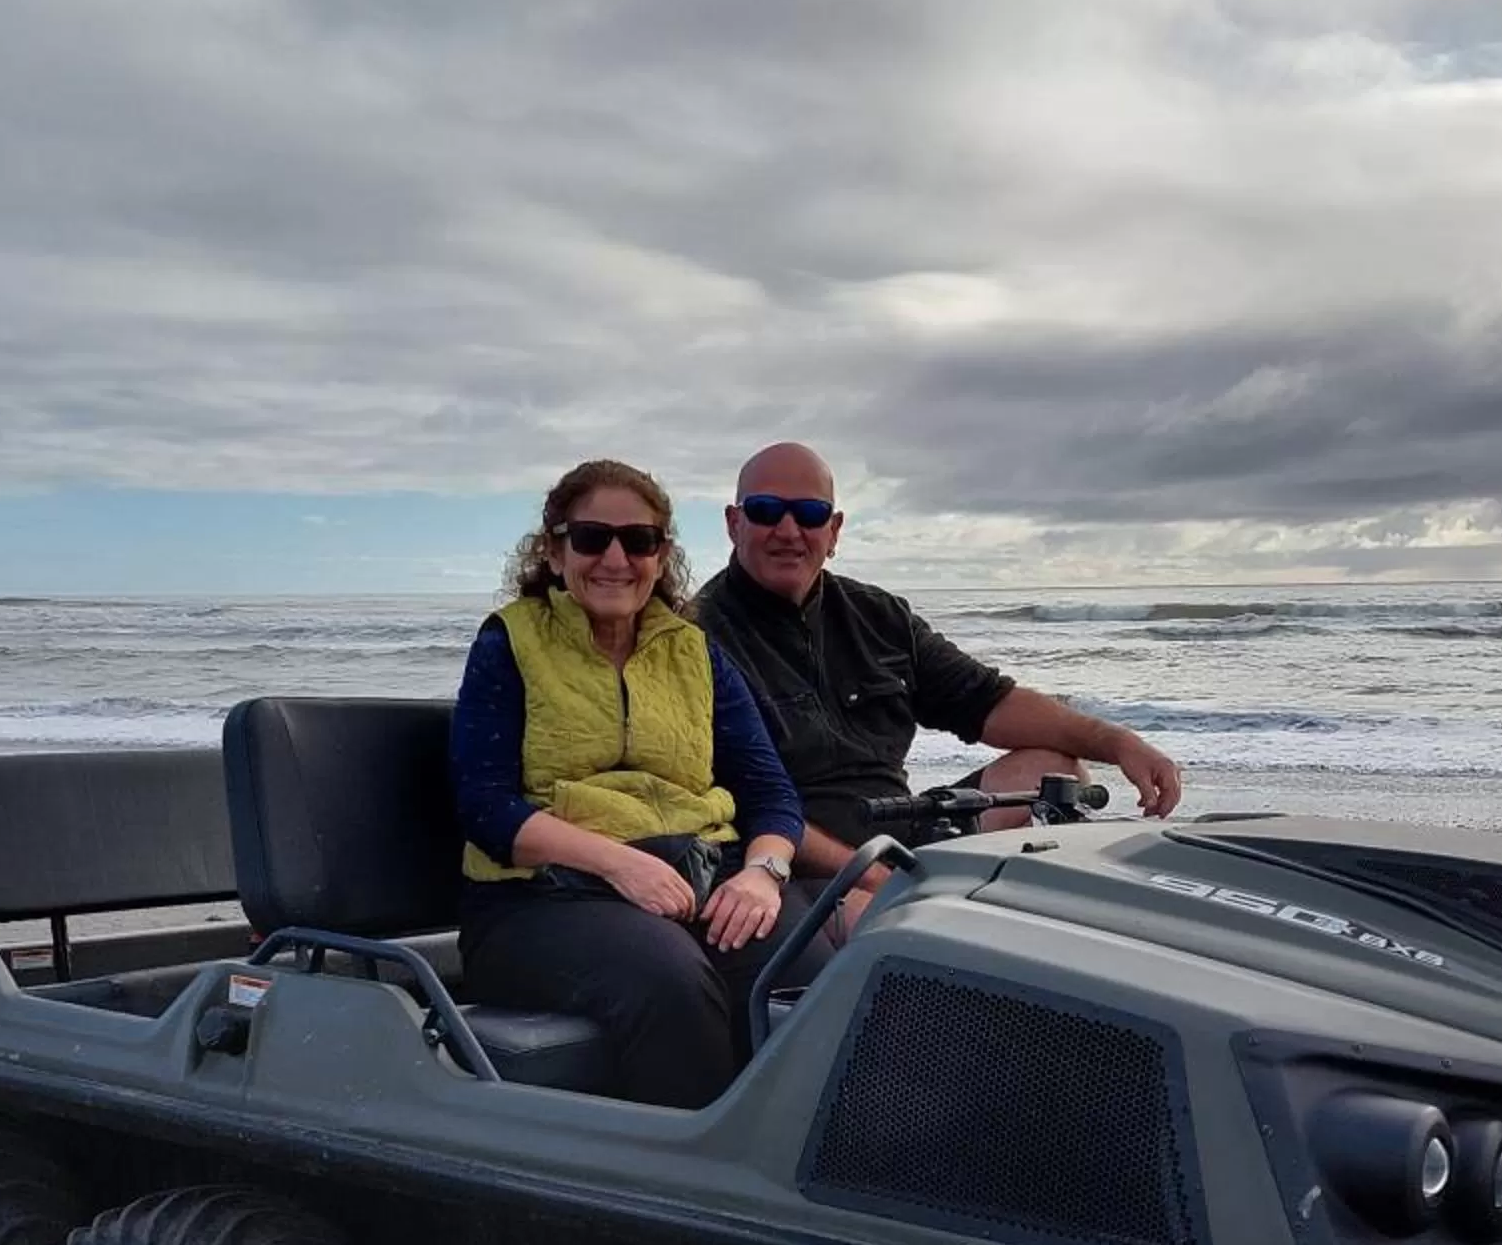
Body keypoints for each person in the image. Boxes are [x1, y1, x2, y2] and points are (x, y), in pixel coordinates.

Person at [450, 458, 818, 1110]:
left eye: (639, 540)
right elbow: (484, 806)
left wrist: (762, 874)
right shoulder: (511, 643)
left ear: (662, 555)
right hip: (539, 902)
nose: (615, 558)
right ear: (555, 551)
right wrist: (620, 864)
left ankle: (811, 1164)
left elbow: (771, 792)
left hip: (693, 875)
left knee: (814, 957)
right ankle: (691, 1180)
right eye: (592, 537)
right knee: (667, 977)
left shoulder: (695, 652)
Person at [689, 441, 1182, 924]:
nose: (789, 530)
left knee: (1055, 771)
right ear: (735, 524)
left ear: (834, 530)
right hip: (797, 862)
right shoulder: (694, 636)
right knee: (890, 927)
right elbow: (747, 801)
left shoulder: (880, 616)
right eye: (767, 510)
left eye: (810, 513)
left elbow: (989, 701)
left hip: (907, 833)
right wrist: (876, 878)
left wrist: (1117, 742)